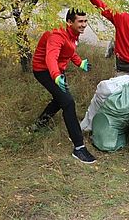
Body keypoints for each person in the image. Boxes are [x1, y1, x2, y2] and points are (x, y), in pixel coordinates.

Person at [32, 9, 96, 164]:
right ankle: (79, 147)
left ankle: (39, 124)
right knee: (67, 102)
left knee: (59, 100)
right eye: (80, 21)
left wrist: (79, 62)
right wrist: (55, 75)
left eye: (85, 21)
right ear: (69, 22)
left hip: (57, 71)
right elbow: (51, 57)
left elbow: (69, 50)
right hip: (43, 70)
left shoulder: (72, 35)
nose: (84, 25)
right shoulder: (57, 35)